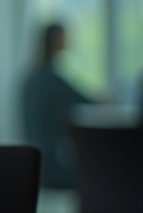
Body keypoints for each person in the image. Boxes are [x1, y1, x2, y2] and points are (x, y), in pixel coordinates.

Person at [21, 23, 92, 189]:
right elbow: (86, 99)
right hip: (52, 166)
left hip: (34, 162)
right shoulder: (51, 81)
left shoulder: (32, 79)